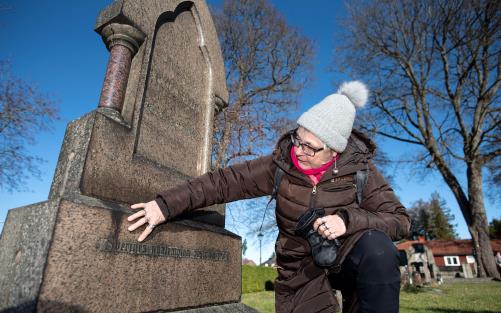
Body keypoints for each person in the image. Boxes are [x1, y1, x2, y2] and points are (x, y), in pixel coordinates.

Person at [127, 81, 411, 313]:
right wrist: (165, 205)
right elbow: (223, 182)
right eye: (298, 139)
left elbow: (399, 221)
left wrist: (347, 221)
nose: (298, 151)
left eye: (309, 147)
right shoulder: (280, 165)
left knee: (378, 250)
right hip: (301, 267)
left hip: (348, 255)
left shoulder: (360, 170)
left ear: (334, 151)